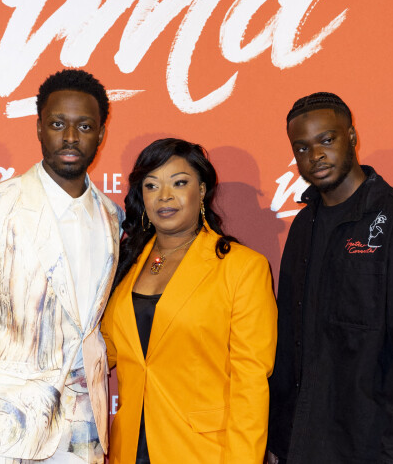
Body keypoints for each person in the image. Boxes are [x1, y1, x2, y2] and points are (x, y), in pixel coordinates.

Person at [0, 69, 124, 464]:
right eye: (58, 124)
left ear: (101, 134)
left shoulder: (111, 217)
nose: (70, 137)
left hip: (82, 430)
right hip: (4, 428)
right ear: (39, 128)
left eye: (84, 126)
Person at [268, 92, 393, 464]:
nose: (314, 156)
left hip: (376, 449)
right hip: (304, 445)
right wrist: (278, 441)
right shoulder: (303, 225)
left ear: (352, 136)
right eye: (301, 148)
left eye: (326, 140)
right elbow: (289, 345)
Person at [101, 138, 277, 464]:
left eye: (179, 183)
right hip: (130, 449)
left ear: (202, 191)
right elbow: (103, 352)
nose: (164, 196)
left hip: (203, 452)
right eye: (152, 186)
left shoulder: (242, 268)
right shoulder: (125, 263)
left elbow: (250, 385)